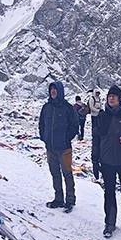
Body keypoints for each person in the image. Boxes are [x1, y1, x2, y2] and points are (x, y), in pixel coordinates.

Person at [91, 85, 121, 238]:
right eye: (109, 96)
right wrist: (95, 160)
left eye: (114, 96)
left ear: (120, 99)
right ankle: (110, 223)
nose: (111, 98)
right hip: (106, 162)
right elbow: (96, 140)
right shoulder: (101, 117)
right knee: (109, 193)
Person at [39, 81, 77, 213]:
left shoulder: (68, 108)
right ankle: (58, 198)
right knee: (55, 173)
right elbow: (41, 124)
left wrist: (66, 139)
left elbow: (74, 126)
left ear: (60, 91)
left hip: (64, 148)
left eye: (55, 90)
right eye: (51, 90)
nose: (53, 92)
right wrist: (44, 138)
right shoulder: (46, 107)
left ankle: (70, 199)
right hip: (50, 148)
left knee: (67, 173)